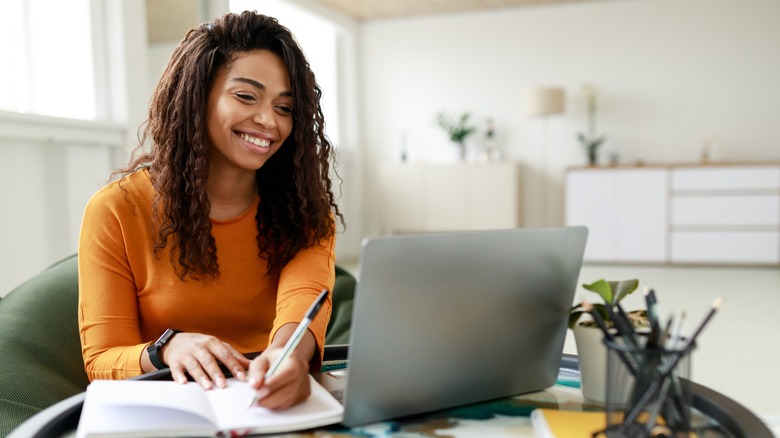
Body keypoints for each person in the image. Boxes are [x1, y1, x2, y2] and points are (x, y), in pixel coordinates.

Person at [77, 10, 343, 410]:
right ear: (196, 95)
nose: (268, 121)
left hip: (268, 403)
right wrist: (167, 348)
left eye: (285, 108)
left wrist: (290, 356)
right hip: (166, 406)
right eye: (246, 96)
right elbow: (101, 359)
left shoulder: (304, 208)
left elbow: (302, 298)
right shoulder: (116, 209)